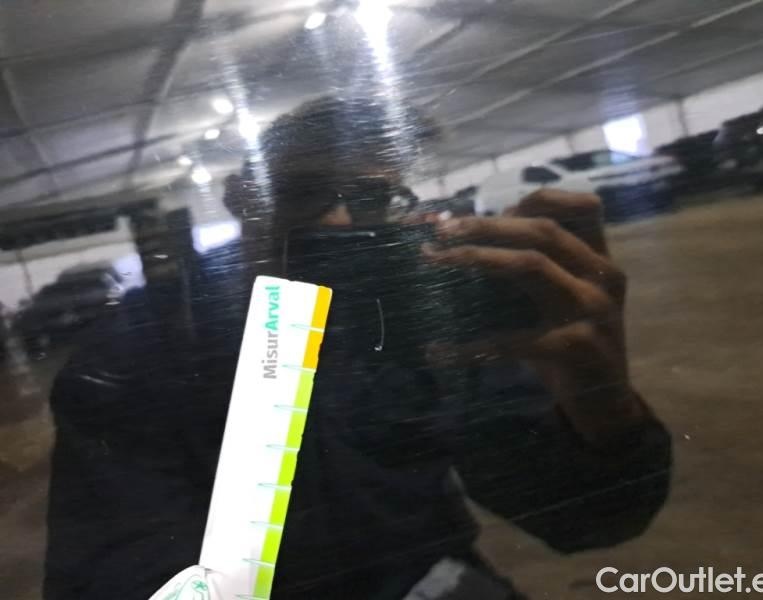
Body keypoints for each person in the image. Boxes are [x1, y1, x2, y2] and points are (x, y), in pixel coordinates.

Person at [44, 96, 672, 599]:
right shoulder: (141, 349)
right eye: (302, 193)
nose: (338, 220)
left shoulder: (415, 320)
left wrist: (603, 401)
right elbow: (119, 572)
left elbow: (584, 518)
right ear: (241, 196)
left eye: (371, 199)